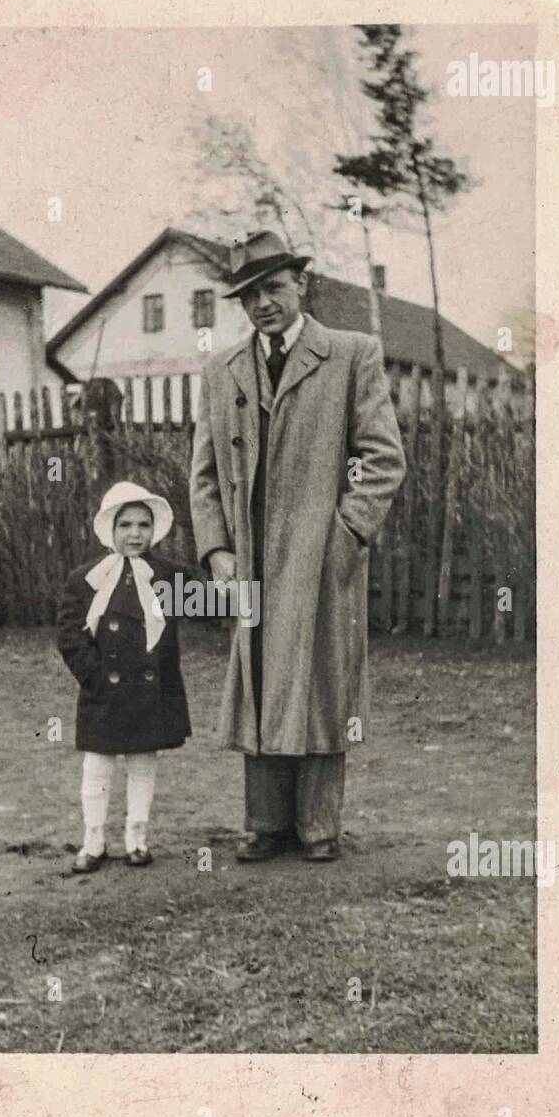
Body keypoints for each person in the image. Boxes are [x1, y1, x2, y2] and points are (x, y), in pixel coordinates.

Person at [189, 230, 406, 862]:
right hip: (250, 557)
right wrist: (216, 552)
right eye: (250, 295)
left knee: (320, 681)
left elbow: (381, 457)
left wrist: (346, 532)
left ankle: (317, 827)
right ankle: (266, 824)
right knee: (259, 680)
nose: (263, 304)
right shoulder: (221, 369)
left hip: (320, 554)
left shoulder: (349, 354)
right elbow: (203, 473)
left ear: (300, 285)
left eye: (274, 288)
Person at [57, 480, 191, 873]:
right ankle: (93, 839)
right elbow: (69, 634)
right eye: (126, 525)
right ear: (110, 530)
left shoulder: (167, 575)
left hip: (149, 691)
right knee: (97, 766)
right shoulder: (86, 578)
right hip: (104, 690)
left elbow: (211, 603)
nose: (135, 534)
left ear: (156, 530)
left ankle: (137, 836)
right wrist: (93, 676)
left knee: (143, 762)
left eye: (144, 525)